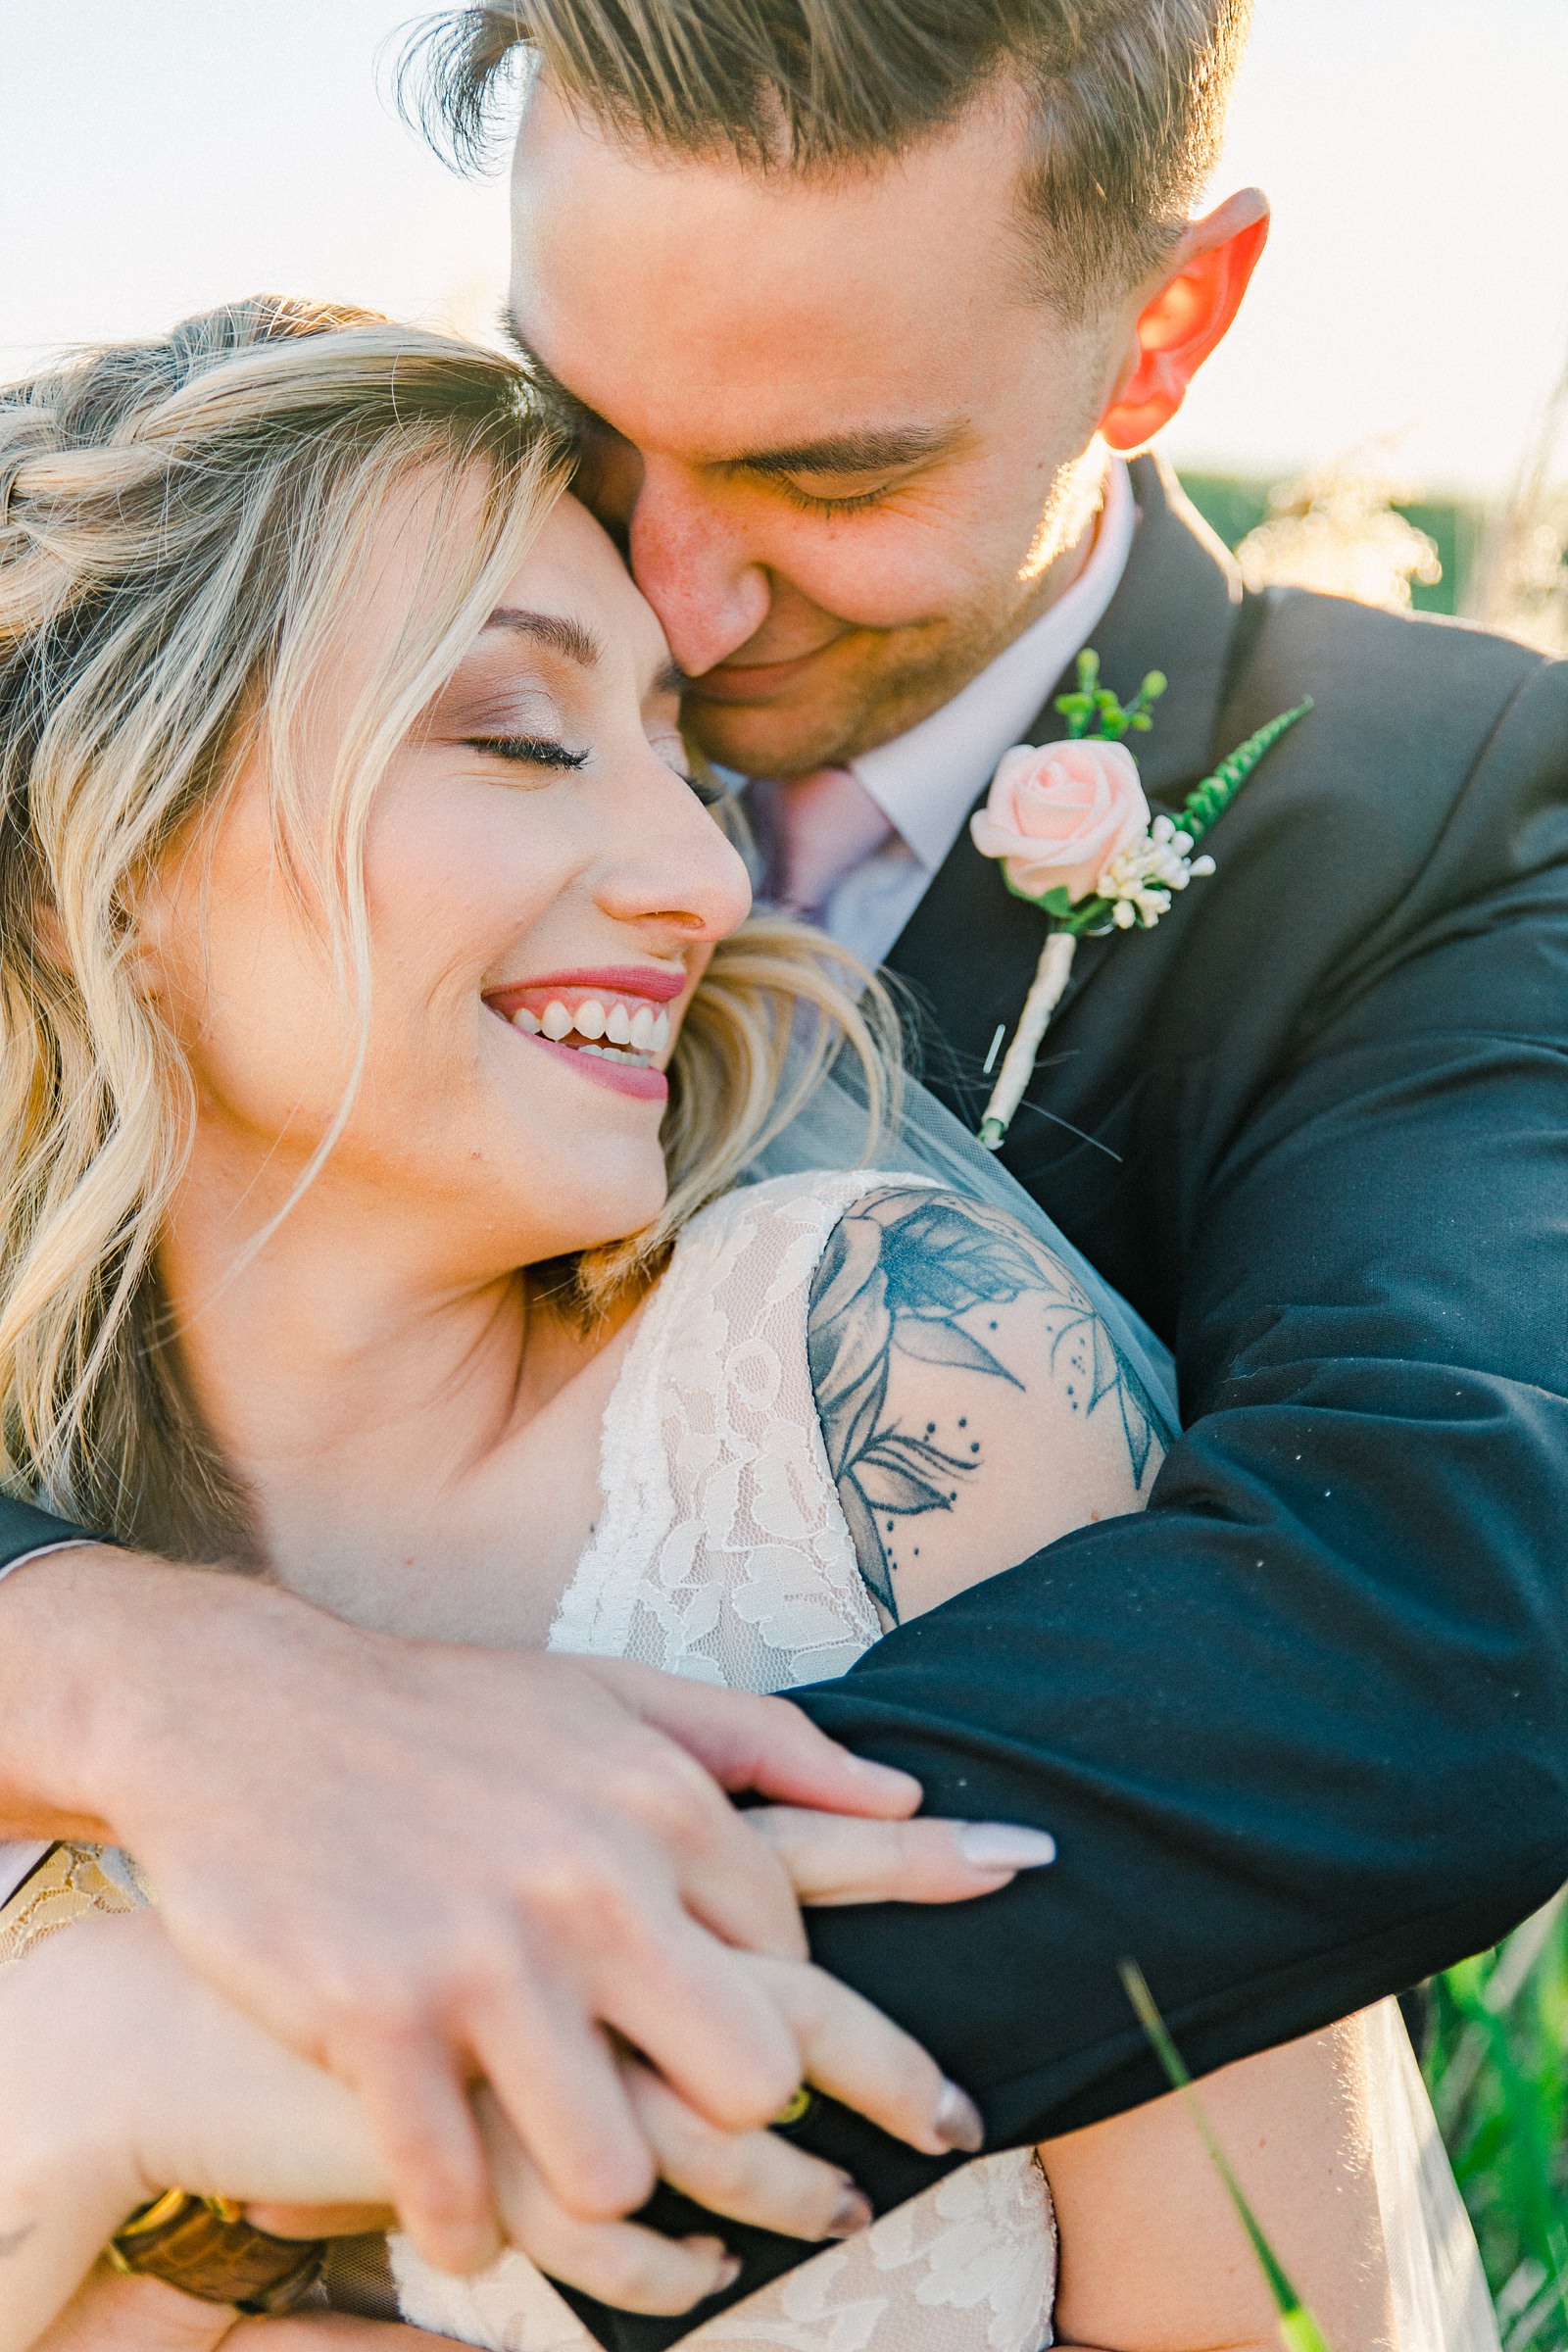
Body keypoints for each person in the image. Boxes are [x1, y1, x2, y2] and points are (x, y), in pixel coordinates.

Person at [0, 0, 1564, 2334]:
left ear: (1168, 328)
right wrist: (142, 1682)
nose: (681, 593)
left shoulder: (1447, 808)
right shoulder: (347, 636)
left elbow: (1446, 1559)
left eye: (827, 476)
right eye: (589, 415)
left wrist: (327, 2106)